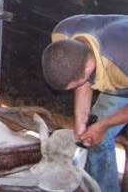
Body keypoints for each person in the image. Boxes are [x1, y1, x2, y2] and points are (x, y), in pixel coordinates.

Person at [42, 14, 128, 192]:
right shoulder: (62, 35)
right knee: (95, 138)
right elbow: (84, 81)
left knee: (100, 130)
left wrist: (104, 125)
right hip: (114, 66)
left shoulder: (121, 61)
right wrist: (81, 123)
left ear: (88, 68)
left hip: (120, 65)